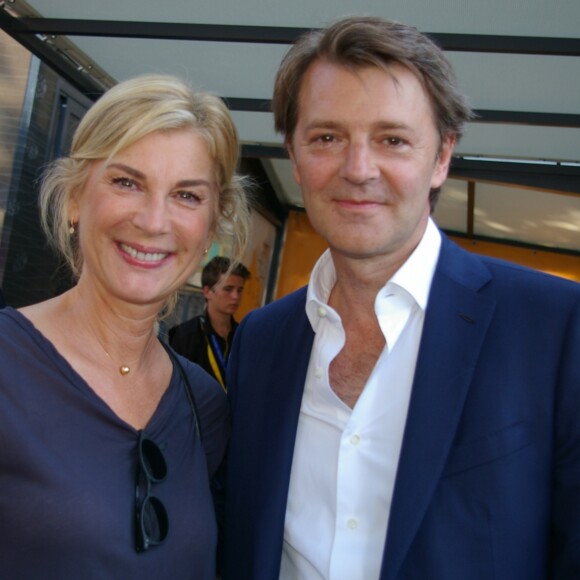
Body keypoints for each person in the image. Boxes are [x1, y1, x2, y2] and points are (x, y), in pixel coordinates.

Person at [221, 16, 580, 580]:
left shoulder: (556, 327)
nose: (358, 170)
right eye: (326, 138)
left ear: (441, 157)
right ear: (294, 154)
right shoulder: (260, 343)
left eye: (392, 139)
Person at [0, 73, 250, 579]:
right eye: (127, 182)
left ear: (210, 230)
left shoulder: (203, 405)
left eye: (186, 195)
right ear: (74, 197)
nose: (154, 221)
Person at [169, 256, 250, 391]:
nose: (236, 297)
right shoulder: (184, 335)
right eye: (228, 289)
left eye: (240, 290)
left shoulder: (244, 336)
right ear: (207, 292)